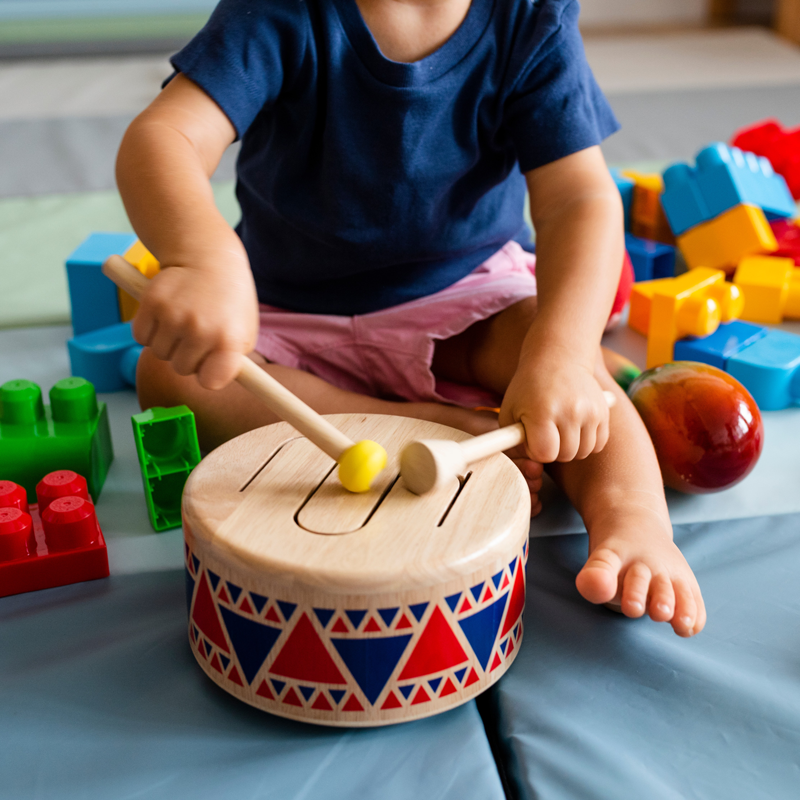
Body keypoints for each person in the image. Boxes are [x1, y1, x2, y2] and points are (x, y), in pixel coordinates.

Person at [116, 0, 705, 636]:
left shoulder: (530, 17)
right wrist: (202, 259)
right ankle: (432, 426)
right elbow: (165, 136)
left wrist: (558, 354)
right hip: (288, 310)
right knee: (172, 375)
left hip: (466, 297)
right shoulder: (275, 12)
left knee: (569, 360)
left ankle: (632, 518)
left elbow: (578, 199)